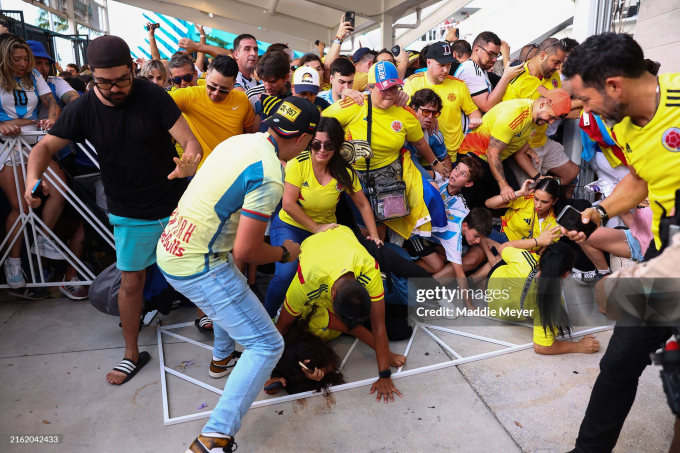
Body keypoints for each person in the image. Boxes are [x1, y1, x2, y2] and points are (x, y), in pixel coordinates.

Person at [25, 35, 202, 385]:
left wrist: (189, 162)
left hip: (175, 200)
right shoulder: (85, 107)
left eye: (121, 79)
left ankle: (205, 316)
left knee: (198, 267)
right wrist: (33, 180)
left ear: (132, 70)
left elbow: (190, 140)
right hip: (129, 209)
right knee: (132, 281)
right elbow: (42, 149)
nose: (114, 88)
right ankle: (131, 352)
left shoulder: (151, 95)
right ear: (92, 76)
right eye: (104, 82)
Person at [156, 97, 319, 452]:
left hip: (173, 249)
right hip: (200, 264)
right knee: (267, 344)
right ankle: (216, 436)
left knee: (235, 296)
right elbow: (247, 251)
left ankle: (220, 360)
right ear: (305, 139)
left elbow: (218, 188)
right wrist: (284, 252)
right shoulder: (271, 174)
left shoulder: (237, 142)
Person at [560, 32, 679, 453]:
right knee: (619, 362)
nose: (582, 110)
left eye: (584, 99)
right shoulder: (625, 124)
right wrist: (600, 211)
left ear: (613, 86)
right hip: (666, 252)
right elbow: (641, 179)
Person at [264, 116, 380, 318]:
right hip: (291, 226)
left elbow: (362, 204)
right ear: (310, 142)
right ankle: (267, 317)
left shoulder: (344, 170)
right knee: (286, 274)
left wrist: (374, 235)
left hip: (324, 230)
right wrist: (316, 228)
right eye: (316, 144)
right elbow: (288, 204)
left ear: (338, 144)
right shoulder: (298, 164)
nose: (322, 150)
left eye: (329, 144)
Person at [275, 225, 406, 402]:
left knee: (397, 328)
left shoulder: (369, 271)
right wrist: (274, 372)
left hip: (342, 236)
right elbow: (281, 327)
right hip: (316, 245)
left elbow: (376, 325)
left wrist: (385, 374)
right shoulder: (305, 282)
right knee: (399, 329)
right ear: (332, 298)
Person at [323, 61, 445, 235]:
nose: (390, 94)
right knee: (364, 227)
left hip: (388, 178)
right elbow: (321, 124)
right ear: (370, 87)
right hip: (354, 177)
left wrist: (435, 163)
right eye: (384, 89)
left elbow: (419, 142)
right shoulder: (354, 105)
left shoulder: (405, 113)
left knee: (385, 225)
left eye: (394, 88)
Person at [0, 34, 60, 299]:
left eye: (26, 59)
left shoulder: (34, 76)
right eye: (17, 59)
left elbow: (52, 103)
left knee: (60, 188)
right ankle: (13, 263)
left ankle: (42, 242)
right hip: (7, 146)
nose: (23, 64)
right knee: (20, 206)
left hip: (35, 142)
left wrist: (52, 119)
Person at [458, 87, 571, 208]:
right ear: (543, 104)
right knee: (464, 203)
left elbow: (520, 153)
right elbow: (493, 153)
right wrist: (503, 186)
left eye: (555, 119)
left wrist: (538, 177)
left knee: (515, 198)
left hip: (495, 157)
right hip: (475, 155)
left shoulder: (537, 118)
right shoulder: (514, 115)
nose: (552, 122)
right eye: (552, 117)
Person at [486, 242, 600, 355]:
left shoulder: (524, 259)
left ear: (541, 257)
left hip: (492, 289)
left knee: (507, 261)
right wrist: (578, 346)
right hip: (504, 315)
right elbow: (542, 347)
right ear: (566, 274)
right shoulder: (552, 303)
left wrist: (537, 240)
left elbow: (503, 247)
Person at [502, 38, 580, 190]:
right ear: (543, 55)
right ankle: (542, 189)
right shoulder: (516, 79)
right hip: (521, 147)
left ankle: (547, 187)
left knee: (572, 173)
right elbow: (507, 125)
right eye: (556, 62)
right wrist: (523, 151)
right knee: (529, 193)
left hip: (543, 140)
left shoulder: (554, 77)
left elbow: (556, 107)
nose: (558, 67)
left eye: (560, 63)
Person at [169, 55, 256, 165]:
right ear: (206, 76)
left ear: (233, 84)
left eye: (224, 90)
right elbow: (156, 104)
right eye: (212, 86)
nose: (216, 93)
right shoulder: (188, 95)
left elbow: (248, 134)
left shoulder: (242, 100)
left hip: (233, 168)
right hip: (200, 171)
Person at [403, 41, 481, 162]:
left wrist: (475, 119)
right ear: (428, 62)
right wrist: (431, 116)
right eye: (441, 65)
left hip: (454, 154)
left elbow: (472, 110)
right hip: (421, 155)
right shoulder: (412, 82)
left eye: (448, 65)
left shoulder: (459, 85)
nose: (445, 70)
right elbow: (405, 112)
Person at [574, 205, 653, 284]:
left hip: (654, 250)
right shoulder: (645, 193)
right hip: (634, 237)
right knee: (584, 234)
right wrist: (596, 213)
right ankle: (603, 273)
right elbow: (625, 212)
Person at [485, 177, 562, 253]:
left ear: (554, 201)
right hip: (501, 237)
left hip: (522, 254)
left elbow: (542, 252)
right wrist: (519, 193)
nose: (538, 205)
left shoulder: (555, 224)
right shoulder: (527, 199)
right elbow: (489, 203)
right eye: (536, 199)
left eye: (544, 202)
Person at [263, 325, 346, 396]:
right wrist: (276, 377)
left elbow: (332, 362)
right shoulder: (268, 345)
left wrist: (323, 371)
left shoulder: (319, 325)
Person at [454, 31, 524, 113]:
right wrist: (506, 77)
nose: (495, 59)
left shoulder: (477, 68)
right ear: (476, 50)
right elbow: (487, 107)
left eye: (497, 55)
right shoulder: (470, 70)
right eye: (491, 54)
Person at [404, 88, 450, 177]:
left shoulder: (433, 135)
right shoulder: (399, 125)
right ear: (414, 108)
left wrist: (447, 180)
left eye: (434, 114)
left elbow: (446, 158)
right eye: (426, 112)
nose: (430, 117)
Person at [247, 50, 291, 130]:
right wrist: (263, 107)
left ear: (285, 78)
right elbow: (252, 133)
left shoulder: (297, 95)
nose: (267, 87)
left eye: (272, 81)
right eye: (263, 80)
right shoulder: (252, 95)